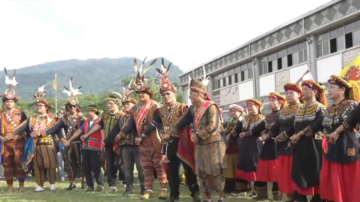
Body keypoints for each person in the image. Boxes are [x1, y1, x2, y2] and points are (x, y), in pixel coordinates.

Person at [142, 59, 200, 202]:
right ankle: (174, 195)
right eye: (164, 95)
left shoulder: (183, 108)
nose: (166, 96)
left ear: (175, 94)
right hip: (168, 144)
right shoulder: (160, 110)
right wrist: (143, 134)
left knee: (188, 169)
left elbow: (192, 122)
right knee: (172, 171)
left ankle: (196, 193)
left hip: (183, 142)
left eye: (169, 94)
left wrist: (193, 133)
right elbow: (155, 124)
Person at [170, 67, 226, 202]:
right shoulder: (192, 109)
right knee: (201, 172)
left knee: (216, 171)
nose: (189, 96)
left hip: (214, 144)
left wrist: (198, 135)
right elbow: (180, 123)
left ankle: (221, 197)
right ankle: (207, 198)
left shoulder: (211, 107)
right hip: (200, 145)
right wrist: (169, 132)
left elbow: (213, 126)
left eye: (191, 93)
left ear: (199, 94)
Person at [120, 58, 168, 200]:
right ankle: (149, 191)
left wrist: (145, 133)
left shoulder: (155, 106)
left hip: (154, 138)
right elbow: (131, 124)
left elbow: (156, 122)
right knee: (146, 166)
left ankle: (164, 189)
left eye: (143, 93)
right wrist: (122, 133)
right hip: (142, 141)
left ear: (149, 94)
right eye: (139, 93)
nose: (141, 95)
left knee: (158, 165)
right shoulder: (135, 108)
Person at [309, 75, 359, 202]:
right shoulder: (329, 108)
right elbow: (318, 125)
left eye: (332, 87)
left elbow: (350, 122)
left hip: (347, 148)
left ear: (342, 90)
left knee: (348, 182)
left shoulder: (352, 104)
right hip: (333, 149)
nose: (329, 90)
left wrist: (335, 132)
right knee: (332, 182)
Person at [14, 84, 64, 192]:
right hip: (35, 145)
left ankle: (51, 183)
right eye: (37, 106)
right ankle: (40, 184)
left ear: (46, 107)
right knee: (38, 165)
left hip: (49, 144)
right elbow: (19, 128)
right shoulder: (31, 119)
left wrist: (63, 139)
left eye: (41, 106)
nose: (38, 107)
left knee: (50, 164)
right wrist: (9, 135)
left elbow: (59, 131)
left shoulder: (53, 119)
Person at [42, 78, 86, 190]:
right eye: (70, 106)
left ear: (77, 107)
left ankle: (85, 181)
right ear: (67, 107)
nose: (72, 108)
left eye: (74, 106)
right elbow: (55, 128)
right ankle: (72, 182)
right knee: (68, 163)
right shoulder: (64, 119)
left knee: (82, 162)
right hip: (68, 144)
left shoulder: (82, 118)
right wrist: (43, 133)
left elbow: (87, 129)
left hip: (80, 143)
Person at [289, 80, 327, 202]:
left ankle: (318, 198)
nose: (302, 92)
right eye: (302, 89)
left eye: (305, 89)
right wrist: (293, 135)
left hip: (313, 145)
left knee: (314, 169)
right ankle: (300, 197)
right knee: (299, 169)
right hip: (300, 145)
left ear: (314, 92)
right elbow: (295, 125)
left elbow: (318, 124)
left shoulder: (320, 107)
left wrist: (299, 134)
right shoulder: (300, 108)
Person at [81, 94, 126, 193]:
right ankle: (112, 185)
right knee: (109, 164)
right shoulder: (105, 115)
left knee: (119, 164)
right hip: (108, 143)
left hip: (120, 143)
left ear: (117, 104)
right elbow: (99, 126)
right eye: (108, 104)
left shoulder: (122, 115)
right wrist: (88, 134)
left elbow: (124, 128)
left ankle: (126, 182)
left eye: (111, 104)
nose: (109, 105)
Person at [110, 81, 146, 195]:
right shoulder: (121, 118)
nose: (126, 106)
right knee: (127, 168)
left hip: (137, 145)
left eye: (128, 104)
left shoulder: (138, 115)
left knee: (141, 168)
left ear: (133, 104)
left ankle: (144, 188)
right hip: (125, 146)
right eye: (124, 104)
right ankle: (129, 189)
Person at [271, 83, 302, 202]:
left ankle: (296, 196)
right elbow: (276, 126)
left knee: (292, 172)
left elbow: (296, 126)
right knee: (284, 173)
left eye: (291, 93)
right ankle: (290, 196)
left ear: (298, 95)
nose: (288, 95)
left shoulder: (301, 108)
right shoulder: (283, 110)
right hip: (281, 146)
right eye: (286, 93)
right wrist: (268, 134)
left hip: (294, 146)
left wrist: (284, 136)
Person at [65, 105, 105, 192]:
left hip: (96, 146)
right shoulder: (86, 122)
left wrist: (103, 143)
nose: (87, 112)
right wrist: (70, 140)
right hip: (85, 147)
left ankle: (100, 184)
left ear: (94, 112)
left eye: (89, 111)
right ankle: (90, 185)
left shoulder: (100, 121)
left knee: (96, 166)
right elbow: (78, 132)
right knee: (86, 166)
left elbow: (102, 133)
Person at [0, 68, 27, 193]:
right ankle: (10, 186)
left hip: (18, 141)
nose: (9, 103)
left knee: (19, 163)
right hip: (5, 142)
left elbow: (26, 126)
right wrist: (1, 138)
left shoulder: (21, 113)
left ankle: (21, 185)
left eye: (11, 101)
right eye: (7, 101)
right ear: (4, 103)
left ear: (14, 102)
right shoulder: (0, 114)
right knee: (7, 164)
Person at [257, 92, 286, 201]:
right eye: (270, 101)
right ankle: (261, 194)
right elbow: (260, 127)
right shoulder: (268, 116)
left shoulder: (283, 114)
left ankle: (277, 197)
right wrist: (249, 132)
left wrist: (267, 134)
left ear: (280, 102)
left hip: (277, 144)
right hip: (267, 145)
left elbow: (278, 128)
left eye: (273, 101)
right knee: (262, 169)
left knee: (276, 171)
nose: (270, 103)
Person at [236, 99, 266, 199]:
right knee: (246, 164)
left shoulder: (262, 118)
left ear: (257, 107)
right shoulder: (245, 119)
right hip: (245, 144)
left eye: (251, 106)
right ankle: (248, 188)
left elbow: (259, 131)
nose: (249, 109)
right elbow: (240, 129)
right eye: (248, 107)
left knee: (255, 165)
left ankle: (258, 191)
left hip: (255, 143)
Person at [223, 104, 245, 194]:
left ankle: (240, 187)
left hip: (238, 145)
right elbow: (225, 131)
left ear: (240, 112)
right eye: (231, 111)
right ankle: (229, 186)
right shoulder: (229, 121)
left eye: (235, 111)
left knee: (236, 166)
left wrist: (229, 134)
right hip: (229, 146)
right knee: (229, 166)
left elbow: (237, 132)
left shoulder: (242, 121)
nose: (233, 113)